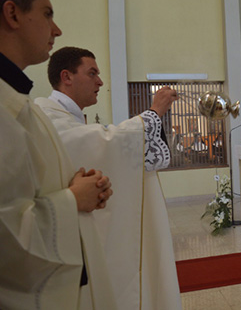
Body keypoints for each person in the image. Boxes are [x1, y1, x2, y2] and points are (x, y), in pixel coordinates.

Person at [0, 0, 116, 309]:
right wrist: (72, 199)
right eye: (48, 14)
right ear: (13, 14)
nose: (57, 29)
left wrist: (82, 186)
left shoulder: (22, 103)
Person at [35, 47, 182, 309]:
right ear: (66, 77)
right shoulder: (47, 118)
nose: (100, 82)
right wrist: (153, 113)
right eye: (92, 73)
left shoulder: (66, 117)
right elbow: (103, 141)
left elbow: (97, 142)